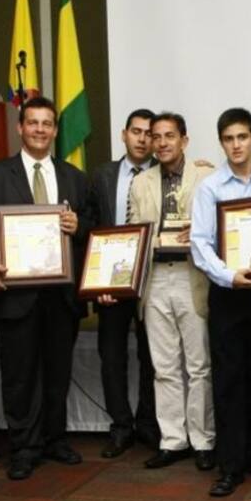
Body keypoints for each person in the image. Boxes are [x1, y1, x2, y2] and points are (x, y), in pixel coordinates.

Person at [0, 97, 92, 480]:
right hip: (15, 293)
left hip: (61, 295)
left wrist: (78, 226)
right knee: (19, 374)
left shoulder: (74, 176)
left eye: (47, 123)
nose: (40, 129)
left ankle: (54, 439)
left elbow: (91, 226)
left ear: (55, 130)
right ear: (20, 128)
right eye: (33, 123)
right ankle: (23, 446)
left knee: (57, 371)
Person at [191, 108, 251, 496]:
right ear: (221, 142)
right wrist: (230, 276)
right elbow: (200, 244)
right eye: (228, 139)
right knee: (229, 381)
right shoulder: (210, 187)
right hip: (228, 294)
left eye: (242, 137)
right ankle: (230, 466)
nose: (236, 145)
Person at [128, 112, 216, 471]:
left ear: (184, 139)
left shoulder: (207, 176)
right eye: (156, 137)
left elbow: (220, 224)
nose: (162, 142)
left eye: (169, 136)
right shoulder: (141, 182)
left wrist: (200, 228)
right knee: (164, 367)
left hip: (191, 275)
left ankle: (203, 440)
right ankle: (173, 440)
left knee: (198, 366)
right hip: (155, 279)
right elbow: (133, 232)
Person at [86, 109, 159, 457]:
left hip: (152, 281)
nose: (143, 138)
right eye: (136, 131)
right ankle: (121, 425)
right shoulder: (101, 175)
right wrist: (94, 280)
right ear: (124, 134)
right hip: (110, 282)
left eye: (149, 133)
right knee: (111, 355)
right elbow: (89, 227)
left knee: (153, 356)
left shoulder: (164, 176)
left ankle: (148, 423)